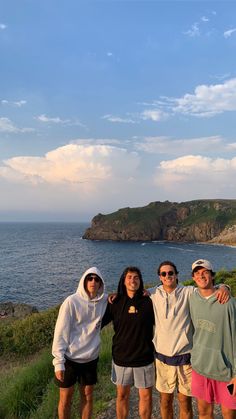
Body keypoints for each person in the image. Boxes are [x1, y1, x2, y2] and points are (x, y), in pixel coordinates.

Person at [148, 260, 230, 419]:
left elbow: (207, 288)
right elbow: (132, 290)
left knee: (184, 401)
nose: (167, 276)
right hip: (162, 358)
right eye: (163, 274)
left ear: (177, 275)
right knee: (165, 401)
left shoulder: (188, 292)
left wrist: (224, 287)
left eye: (171, 273)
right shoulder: (152, 293)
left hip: (185, 357)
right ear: (160, 277)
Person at [52, 267, 107, 419]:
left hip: (90, 359)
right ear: (84, 281)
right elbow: (60, 333)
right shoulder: (71, 302)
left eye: (97, 279)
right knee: (66, 398)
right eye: (89, 278)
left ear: (101, 283)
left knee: (88, 396)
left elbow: (121, 298)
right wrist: (58, 362)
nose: (93, 282)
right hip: (70, 359)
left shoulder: (104, 301)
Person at [102, 266, 155, 419]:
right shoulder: (114, 302)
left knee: (145, 397)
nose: (133, 280)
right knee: (122, 396)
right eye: (129, 277)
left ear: (140, 281)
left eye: (136, 277)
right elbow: (98, 322)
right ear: (123, 281)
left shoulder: (149, 301)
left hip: (144, 358)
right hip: (121, 358)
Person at [190, 259, 236, 419]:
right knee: (203, 413)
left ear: (212, 276)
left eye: (205, 272)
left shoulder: (228, 303)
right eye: (197, 273)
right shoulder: (192, 297)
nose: (201, 276)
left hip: (225, 372)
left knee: (229, 415)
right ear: (193, 278)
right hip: (200, 368)